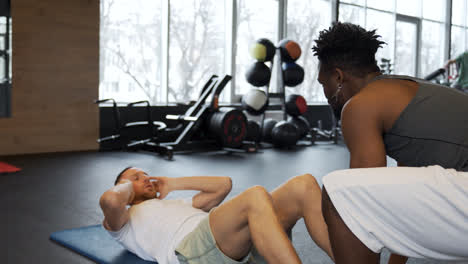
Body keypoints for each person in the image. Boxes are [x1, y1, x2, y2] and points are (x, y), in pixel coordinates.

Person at [311, 22, 468, 264]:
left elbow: (361, 206)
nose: (325, 92)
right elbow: (395, 201)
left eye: (324, 84)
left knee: (338, 194)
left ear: (338, 77)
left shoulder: (359, 106)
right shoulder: (408, 90)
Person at [99, 166, 334, 264]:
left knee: (303, 185)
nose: (146, 179)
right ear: (122, 188)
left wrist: (171, 184)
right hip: (190, 252)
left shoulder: (177, 203)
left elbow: (223, 184)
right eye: (136, 178)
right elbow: (110, 200)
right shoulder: (124, 222)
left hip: (230, 244)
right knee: (254, 196)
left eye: (146, 174)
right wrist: (128, 188)